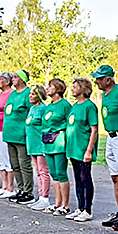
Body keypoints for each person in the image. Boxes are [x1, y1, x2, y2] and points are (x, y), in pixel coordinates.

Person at [92, 65, 118, 230]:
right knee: (115, 177)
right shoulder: (104, 94)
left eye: (100, 78)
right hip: (110, 136)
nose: (97, 81)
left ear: (109, 79)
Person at [64, 77, 99, 222]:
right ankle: (80, 207)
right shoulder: (75, 106)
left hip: (83, 148)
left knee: (85, 179)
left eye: (75, 87)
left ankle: (87, 210)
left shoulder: (89, 106)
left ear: (83, 89)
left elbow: (94, 129)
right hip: (73, 148)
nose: (72, 89)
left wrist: (89, 150)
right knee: (77, 179)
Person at [3, 69, 34, 204]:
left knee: (24, 164)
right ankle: (21, 188)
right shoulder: (13, 94)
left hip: (21, 134)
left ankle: (28, 191)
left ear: (22, 79)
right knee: (14, 164)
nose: (13, 79)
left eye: (15, 77)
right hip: (10, 134)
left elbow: (31, 112)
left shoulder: (27, 93)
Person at [42, 78, 71, 216]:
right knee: (54, 174)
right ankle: (57, 203)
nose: (47, 89)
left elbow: (70, 123)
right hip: (48, 142)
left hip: (59, 142)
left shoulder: (65, 105)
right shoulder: (49, 106)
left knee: (61, 173)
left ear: (58, 89)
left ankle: (65, 205)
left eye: (50, 86)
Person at [26, 85, 52, 211]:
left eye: (33, 94)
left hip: (40, 145)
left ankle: (45, 198)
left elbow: (46, 128)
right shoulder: (32, 108)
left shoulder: (43, 109)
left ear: (40, 95)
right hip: (32, 145)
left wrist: (44, 147)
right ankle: (40, 197)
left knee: (43, 172)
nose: (30, 96)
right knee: (38, 172)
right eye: (30, 94)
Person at [0, 72, 16, 197]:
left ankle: (10, 187)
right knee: (0, 157)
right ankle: (4, 185)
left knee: (6, 157)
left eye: (1, 79)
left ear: (7, 81)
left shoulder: (11, 94)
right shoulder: (1, 94)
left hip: (2, 129)